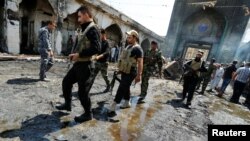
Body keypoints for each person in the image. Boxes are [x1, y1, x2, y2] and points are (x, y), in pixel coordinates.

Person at [55, 6, 101, 123]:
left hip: (86, 65)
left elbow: (96, 48)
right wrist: (74, 54)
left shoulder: (93, 29)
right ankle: (67, 104)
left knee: (82, 92)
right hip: (79, 64)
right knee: (66, 82)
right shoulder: (84, 28)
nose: (78, 19)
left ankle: (88, 114)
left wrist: (79, 55)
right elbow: (81, 44)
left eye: (80, 16)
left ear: (86, 14)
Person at [107, 30, 143, 116]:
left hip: (131, 72)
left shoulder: (138, 49)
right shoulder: (128, 47)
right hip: (124, 71)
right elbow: (125, 60)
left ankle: (114, 105)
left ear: (135, 38)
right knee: (125, 87)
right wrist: (120, 69)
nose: (127, 39)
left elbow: (140, 63)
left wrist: (139, 75)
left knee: (122, 87)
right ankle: (127, 102)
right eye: (127, 37)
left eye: (129, 37)